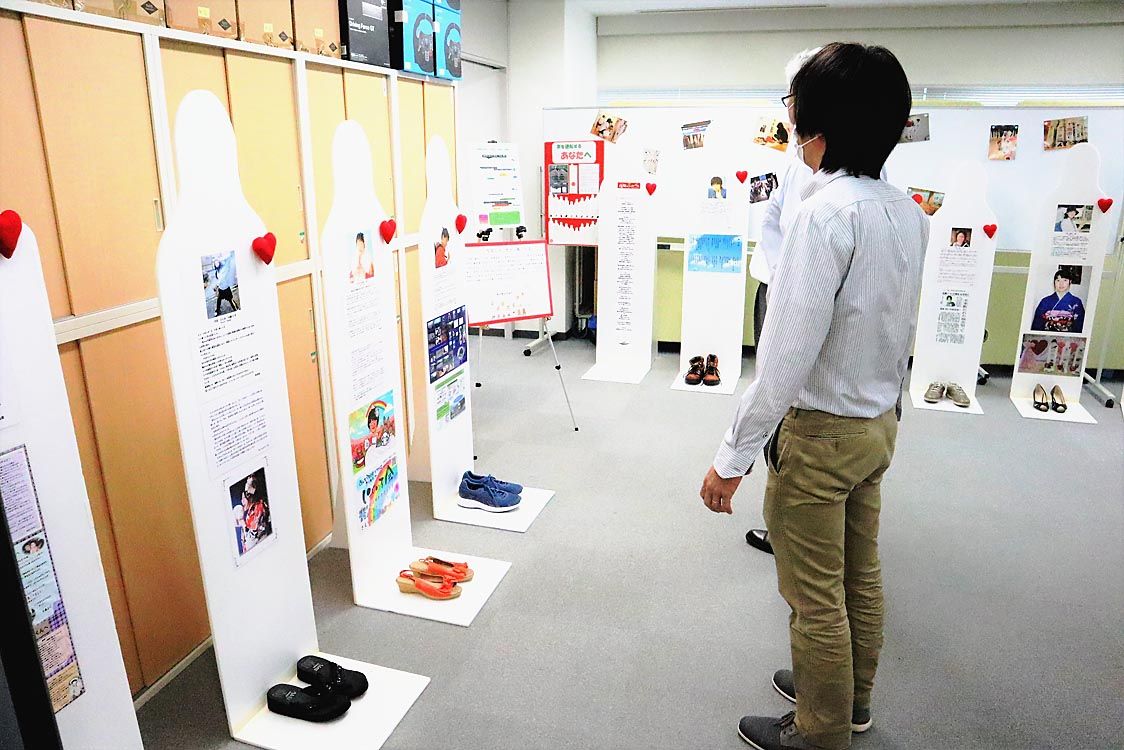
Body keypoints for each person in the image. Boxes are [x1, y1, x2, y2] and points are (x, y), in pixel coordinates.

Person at [700, 42, 926, 750]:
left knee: (813, 596)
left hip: (822, 434)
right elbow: (896, 329)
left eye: (795, 106)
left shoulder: (822, 216)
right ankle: (849, 702)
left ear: (818, 124)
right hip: (877, 427)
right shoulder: (907, 212)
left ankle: (819, 732)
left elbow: (783, 361)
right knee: (859, 574)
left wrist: (730, 459)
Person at [1031, 269, 1085, 333]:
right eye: (1058, 280)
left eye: (1065, 280)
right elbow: (1037, 324)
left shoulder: (1076, 302)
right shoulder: (1045, 301)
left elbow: (1080, 326)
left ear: (1070, 282)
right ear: (1054, 283)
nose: (1061, 284)